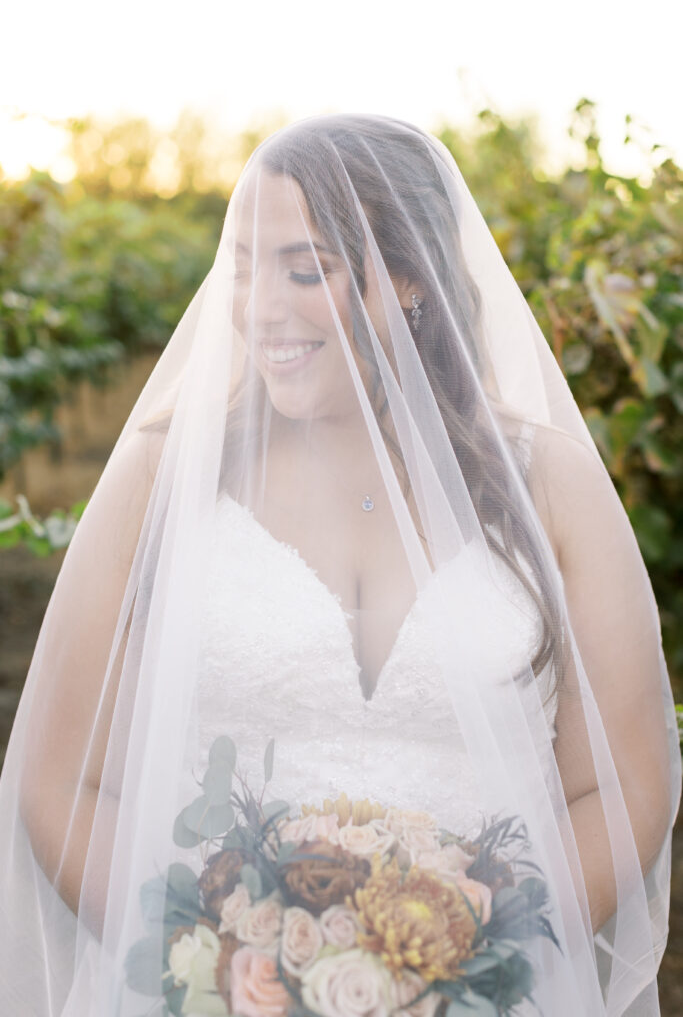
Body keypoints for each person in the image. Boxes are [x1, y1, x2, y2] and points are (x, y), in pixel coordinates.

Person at [0, 113, 679, 1016]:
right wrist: (212, 962)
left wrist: (464, 968)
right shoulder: (163, 475)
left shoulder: (546, 484)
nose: (262, 309)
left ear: (407, 280)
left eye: (305, 268)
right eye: (244, 268)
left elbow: (625, 783)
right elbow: (57, 779)